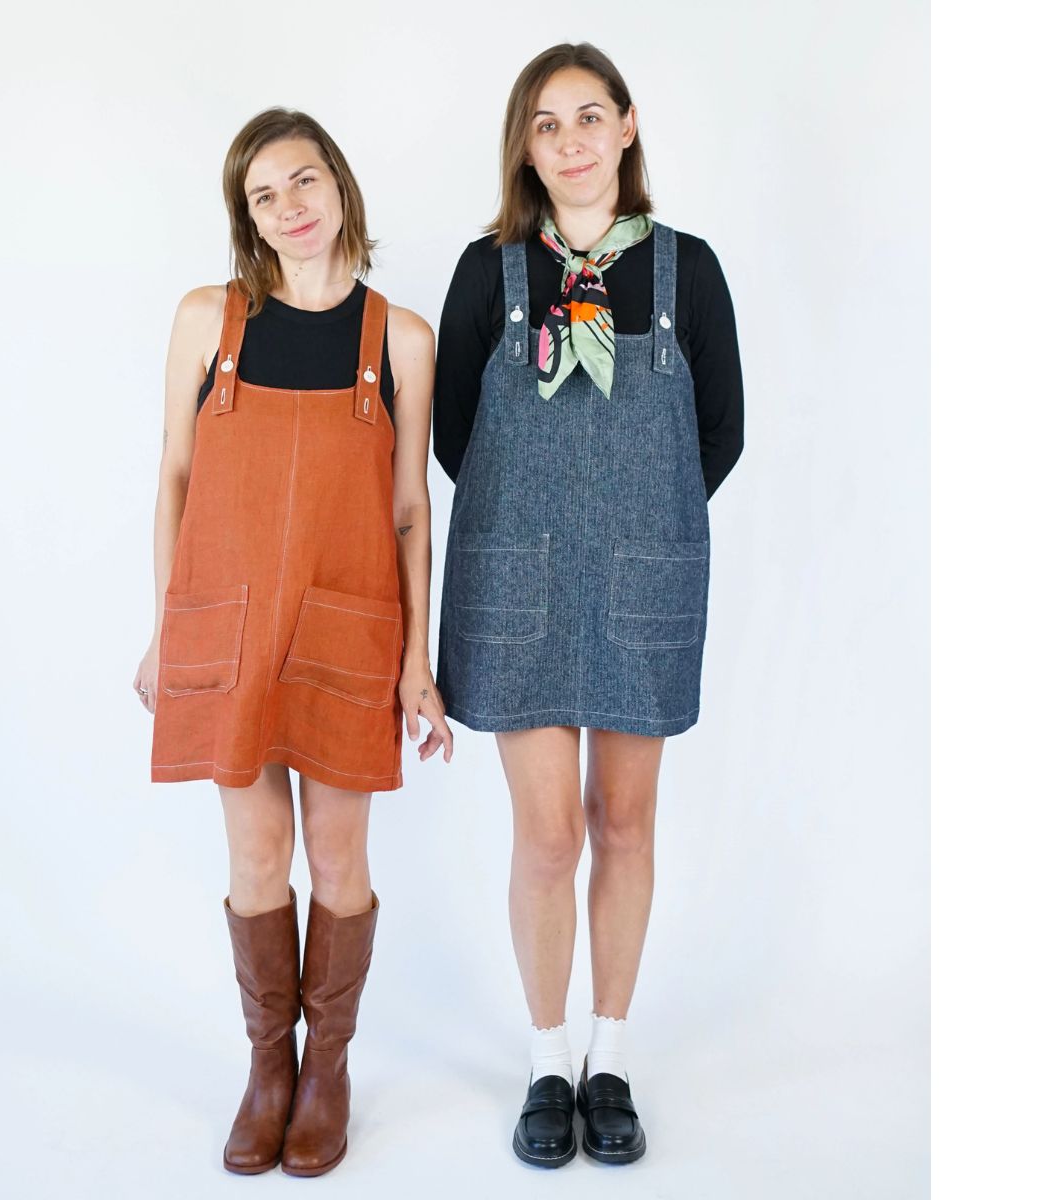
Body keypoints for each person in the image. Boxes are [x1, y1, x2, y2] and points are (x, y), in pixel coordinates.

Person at [433, 44, 744, 1167]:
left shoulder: (687, 271)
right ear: (525, 148)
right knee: (550, 834)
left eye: (588, 116)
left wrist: (634, 521)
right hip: (515, 575)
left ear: (626, 127)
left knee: (623, 822)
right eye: (546, 124)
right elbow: (454, 436)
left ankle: (608, 1056)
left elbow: (722, 433)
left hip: (643, 575)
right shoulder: (490, 272)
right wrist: (543, 519)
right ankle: (546, 1060)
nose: (570, 141)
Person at [133, 107, 453, 1177]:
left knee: (339, 856)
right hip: (227, 625)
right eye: (263, 196)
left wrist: (417, 661)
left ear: (340, 183)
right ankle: (270, 1067)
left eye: (303, 181)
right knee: (258, 853)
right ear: (248, 217)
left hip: (350, 626)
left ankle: (329, 1073)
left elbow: (409, 511)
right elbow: (176, 477)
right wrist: (167, 628)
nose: (289, 208)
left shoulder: (400, 339)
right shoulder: (207, 320)